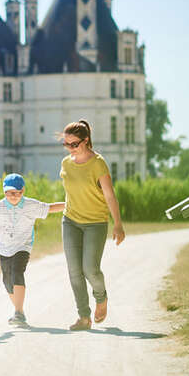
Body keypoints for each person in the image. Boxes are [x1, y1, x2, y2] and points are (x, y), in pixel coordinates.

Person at [59, 119, 126, 331]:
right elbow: (71, 193)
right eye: (66, 144)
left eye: (74, 144)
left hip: (95, 222)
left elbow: (109, 195)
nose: (70, 148)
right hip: (70, 221)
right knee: (74, 270)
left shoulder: (98, 163)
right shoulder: (65, 163)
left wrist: (118, 224)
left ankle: (101, 297)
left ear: (86, 141)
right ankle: (84, 317)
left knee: (90, 269)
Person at [0, 173, 65, 327]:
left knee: (17, 272)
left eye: (18, 192)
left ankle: (17, 313)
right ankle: (20, 311)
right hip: (4, 248)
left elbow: (49, 207)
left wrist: (70, 203)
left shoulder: (31, 205)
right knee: (7, 281)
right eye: (11, 193)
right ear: (4, 192)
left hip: (23, 247)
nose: (14, 196)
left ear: (23, 191)